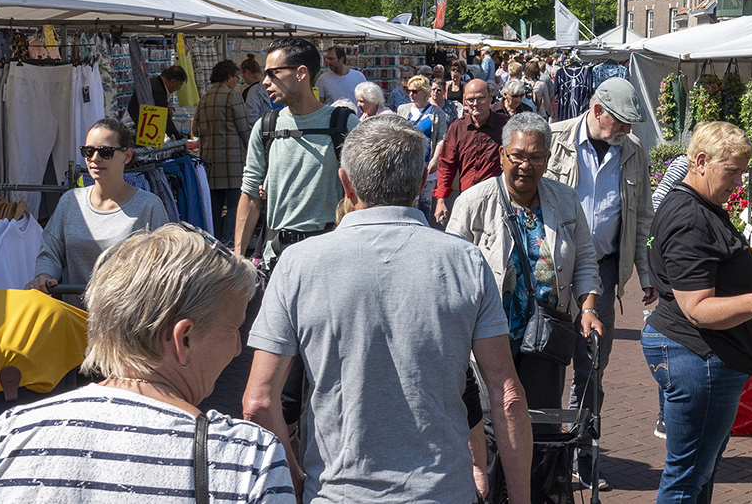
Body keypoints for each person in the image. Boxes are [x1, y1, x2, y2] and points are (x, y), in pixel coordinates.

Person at [242, 115, 533, 504]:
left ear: (345, 182)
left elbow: (258, 402)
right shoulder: (465, 261)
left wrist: (295, 477)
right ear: (419, 186)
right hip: (443, 490)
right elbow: (506, 395)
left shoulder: (298, 263)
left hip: (337, 492)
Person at [0, 224, 292, 502]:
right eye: (235, 329)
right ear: (184, 338)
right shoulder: (246, 459)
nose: (237, 349)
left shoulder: (11, 434)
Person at [645, 122, 752, 504]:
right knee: (686, 477)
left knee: (697, 472)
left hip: (699, 354)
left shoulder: (695, 205)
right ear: (700, 161)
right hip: (700, 356)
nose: (738, 181)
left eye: (742, 172)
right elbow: (696, 308)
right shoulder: (691, 218)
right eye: (732, 171)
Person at [446, 113, 603, 414]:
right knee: (492, 418)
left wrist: (588, 309)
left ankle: (538, 463)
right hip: (490, 334)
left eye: (535, 157)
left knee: (541, 420)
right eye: (517, 156)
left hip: (547, 334)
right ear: (502, 155)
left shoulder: (566, 200)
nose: (525, 166)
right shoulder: (473, 202)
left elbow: (584, 258)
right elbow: (450, 270)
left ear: (547, 158)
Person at [544, 77, 656, 489]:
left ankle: (583, 455)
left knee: (591, 369)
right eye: (621, 122)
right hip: (553, 271)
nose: (626, 131)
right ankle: (546, 452)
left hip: (605, 272)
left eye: (630, 124)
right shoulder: (553, 139)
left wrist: (644, 273)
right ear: (596, 111)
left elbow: (642, 216)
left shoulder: (633, 151)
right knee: (545, 362)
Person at [233, 38, 358, 268]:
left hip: (331, 257)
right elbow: (250, 195)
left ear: (301, 73)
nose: (265, 82)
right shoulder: (265, 127)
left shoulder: (345, 125)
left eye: (273, 73)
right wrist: (238, 259)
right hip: (278, 260)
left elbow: (361, 194)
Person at [27, 118, 170, 291]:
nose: (95, 158)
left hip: (124, 316)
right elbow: (51, 250)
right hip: (74, 314)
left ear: (127, 155)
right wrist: (45, 276)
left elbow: (163, 268)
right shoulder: (71, 202)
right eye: (89, 151)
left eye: (106, 152)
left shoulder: (148, 206)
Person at [433, 79, 509, 225]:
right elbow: (446, 164)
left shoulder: (505, 126)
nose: (475, 103)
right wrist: (441, 200)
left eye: (480, 98)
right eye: (470, 99)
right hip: (467, 199)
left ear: (490, 97)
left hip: (498, 202)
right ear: (464, 101)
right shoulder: (457, 128)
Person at [195, 60, 252, 244]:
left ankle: (214, 242)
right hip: (233, 161)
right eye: (236, 78)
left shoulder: (204, 98)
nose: (237, 81)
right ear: (228, 77)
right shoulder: (232, 96)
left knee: (215, 205)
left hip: (210, 161)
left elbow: (195, 130)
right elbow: (244, 129)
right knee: (235, 204)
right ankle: (228, 242)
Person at [397, 75, 450, 223]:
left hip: (427, 165)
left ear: (424, 92)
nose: (411, 94)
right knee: (409, 201)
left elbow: (441, 138)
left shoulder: (437, 113)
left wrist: (435, 159)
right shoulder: (403, 109)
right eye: (409, 91)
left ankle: (425, 229)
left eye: (415, 91)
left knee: (425, 203)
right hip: (407, 164)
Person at [131, 65, 189, 140]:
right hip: (138, 129)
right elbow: (164, 118)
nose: (179, 88)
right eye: (180, 85)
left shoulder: (154, 83)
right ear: (173, 81)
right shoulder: (157, 90)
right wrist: (178, 138)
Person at [239, 53, 275, 126]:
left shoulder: (253, 91)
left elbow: (252, 118)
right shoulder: (274, 85)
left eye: (242, 74)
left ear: (246, 72)